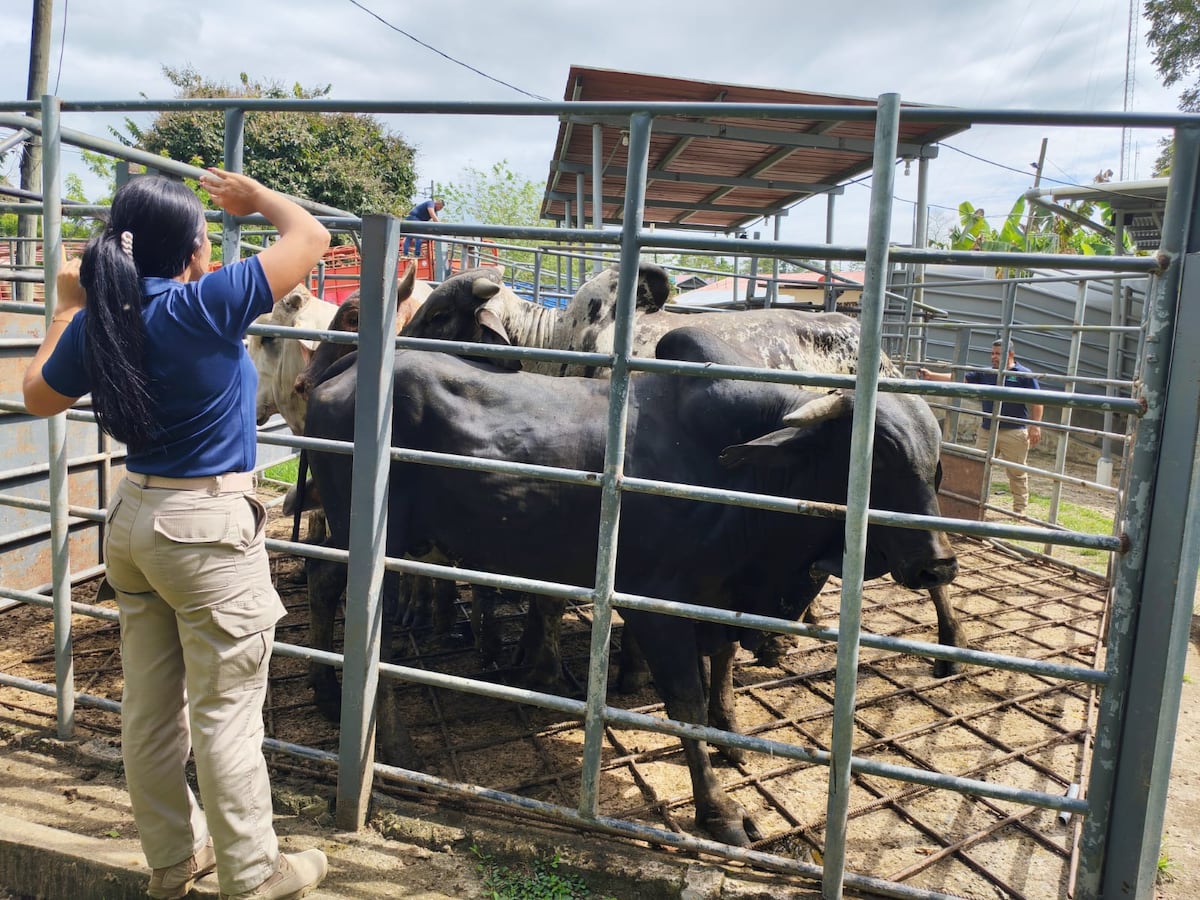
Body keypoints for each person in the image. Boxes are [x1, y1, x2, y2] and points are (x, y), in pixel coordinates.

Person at [22, 169, 332, 899]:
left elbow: (36, 397)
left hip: (133, 522)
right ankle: (253, 874)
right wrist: (256, 199)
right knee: (226, 712)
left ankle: (173, 860)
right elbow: (312, 236)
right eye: (203, 236)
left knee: (150, 710)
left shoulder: (103, 320)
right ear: (193, 248)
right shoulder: (207, 304)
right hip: (207, 531)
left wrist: (66, 309)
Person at [918, 339, 1044, 515]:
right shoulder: (986, 373)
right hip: (988, 429)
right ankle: (975, 506)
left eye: (998, 354)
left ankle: (1019, 510)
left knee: (1017, 471)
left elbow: (1038, 400)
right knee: (978, 468)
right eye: (992, 353)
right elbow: (960, 379)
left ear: (1010, 354)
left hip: (1014, 431)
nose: (993, 357)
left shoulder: (1023, 374)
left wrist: (1035, 425)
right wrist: (932, 375)